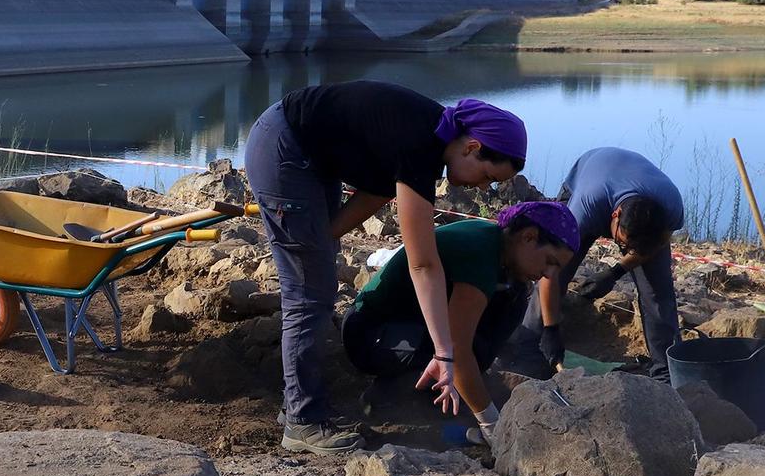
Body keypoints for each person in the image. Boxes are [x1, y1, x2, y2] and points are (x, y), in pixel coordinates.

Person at [245, 80, 529, 454]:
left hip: (311, 154)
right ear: (473, 147)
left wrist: (320, 240)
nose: (482, 190)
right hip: (286, 148)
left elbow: (379, 189)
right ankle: (302, 421)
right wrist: (444, 353)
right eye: (489, 178)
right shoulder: (420, 147)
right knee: (309, 295)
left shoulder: (430, 136)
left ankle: (299, 404)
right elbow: (424, 264)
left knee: (316, 280)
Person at [341, 201, 580, 441]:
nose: (549, 274)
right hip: (370, 333)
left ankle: (453, 393)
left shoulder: (501, 252)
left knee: (514, 299)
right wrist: (491, 423)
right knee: (451, 350)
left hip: (411, 323)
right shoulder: (480, 253)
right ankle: (388, 398)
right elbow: (456, 348)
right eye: (550, 261)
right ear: (529, 237)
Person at [507, 146, 686, 381]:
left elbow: (655, 246)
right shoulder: (585, 208)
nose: (624, 251)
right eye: (622, 244)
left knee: (658, 292)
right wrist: (551, 330)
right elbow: (549, 270)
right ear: (616, 215)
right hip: (588, 176)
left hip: (633, 193)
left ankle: (666, 368)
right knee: (557, 273)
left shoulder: (671, 207)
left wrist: (616, 271)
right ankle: (529, 348)